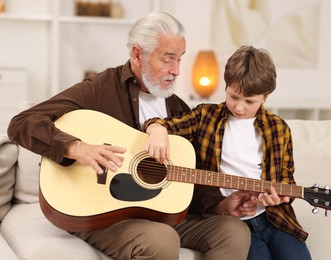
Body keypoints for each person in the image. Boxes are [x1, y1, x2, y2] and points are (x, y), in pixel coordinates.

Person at [7, 11, 255, 260]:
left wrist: (221, 205)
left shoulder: (179, 109)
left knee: (234, 231)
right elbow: (22, 122)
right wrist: (77, 148)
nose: (177, 70)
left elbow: (188, 178)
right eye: (168, 59)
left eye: (180, 59)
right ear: (138, 54)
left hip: (159, 214)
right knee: (161, 239)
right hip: (100, 212)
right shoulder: (100, 88)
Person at [145, 46, 312, 260]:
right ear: (226, 87)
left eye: (250, 101)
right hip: (232, 222)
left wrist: (277, 198)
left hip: (273, 219)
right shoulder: (205, 117)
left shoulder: (278, 128)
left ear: (266, 97)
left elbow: (286, 181)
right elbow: (165, 123)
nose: (239, 107)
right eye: (234, 96)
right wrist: (157, 128)